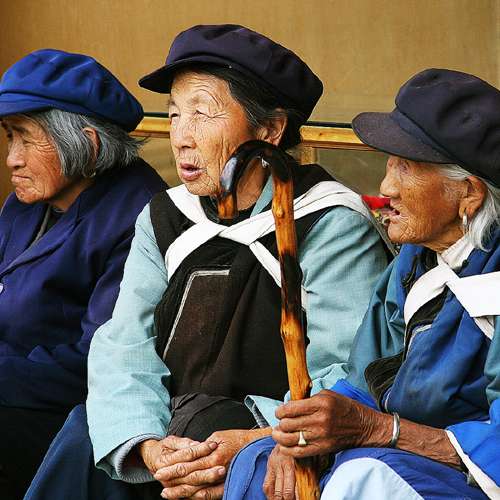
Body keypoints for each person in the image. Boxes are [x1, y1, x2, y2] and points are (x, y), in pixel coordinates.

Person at [25, 25, 389, 500]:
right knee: (84, 433)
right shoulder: (165, 216)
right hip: (170, 431)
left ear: (270, 129)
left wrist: (258, 438)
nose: (181, 137)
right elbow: (125, 343)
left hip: (262, 434)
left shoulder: (327, 220)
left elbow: (346, 369)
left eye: (202, 113)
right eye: (175, 114)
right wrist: (146, 445)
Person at [225, 68, 500, 500]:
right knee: (261, 462)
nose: (386, 187)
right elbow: (362, 379)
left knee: (364, 479)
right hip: (399, 448)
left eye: (406, 168)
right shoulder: (415, 260)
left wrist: (381, 430)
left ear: (469, 193)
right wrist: (308, 432)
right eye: (390, 163)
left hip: (470, 474)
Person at [0, 49, 167, 498]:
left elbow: (96, 360)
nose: (12, 159)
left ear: (87, 144)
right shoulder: (27, 202)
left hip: (64, 418)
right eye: (9, 137)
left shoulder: (139, 216)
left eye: (25, 138)